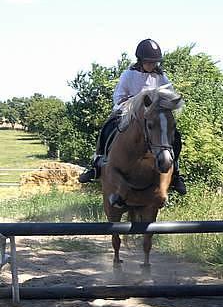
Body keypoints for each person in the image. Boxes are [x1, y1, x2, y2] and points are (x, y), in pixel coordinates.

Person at [78, 38, 187, 195]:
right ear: (140, 60)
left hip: (153, 117)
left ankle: (175, 173)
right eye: (149, 62)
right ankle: (96, 165)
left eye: (154, 62)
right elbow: (119, 98)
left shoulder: (161, 77)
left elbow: (170, 96)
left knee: (174, 135)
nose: (152, 65)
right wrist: (135, 105)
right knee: (107, 127)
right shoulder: (129, 75)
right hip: (130, 114)